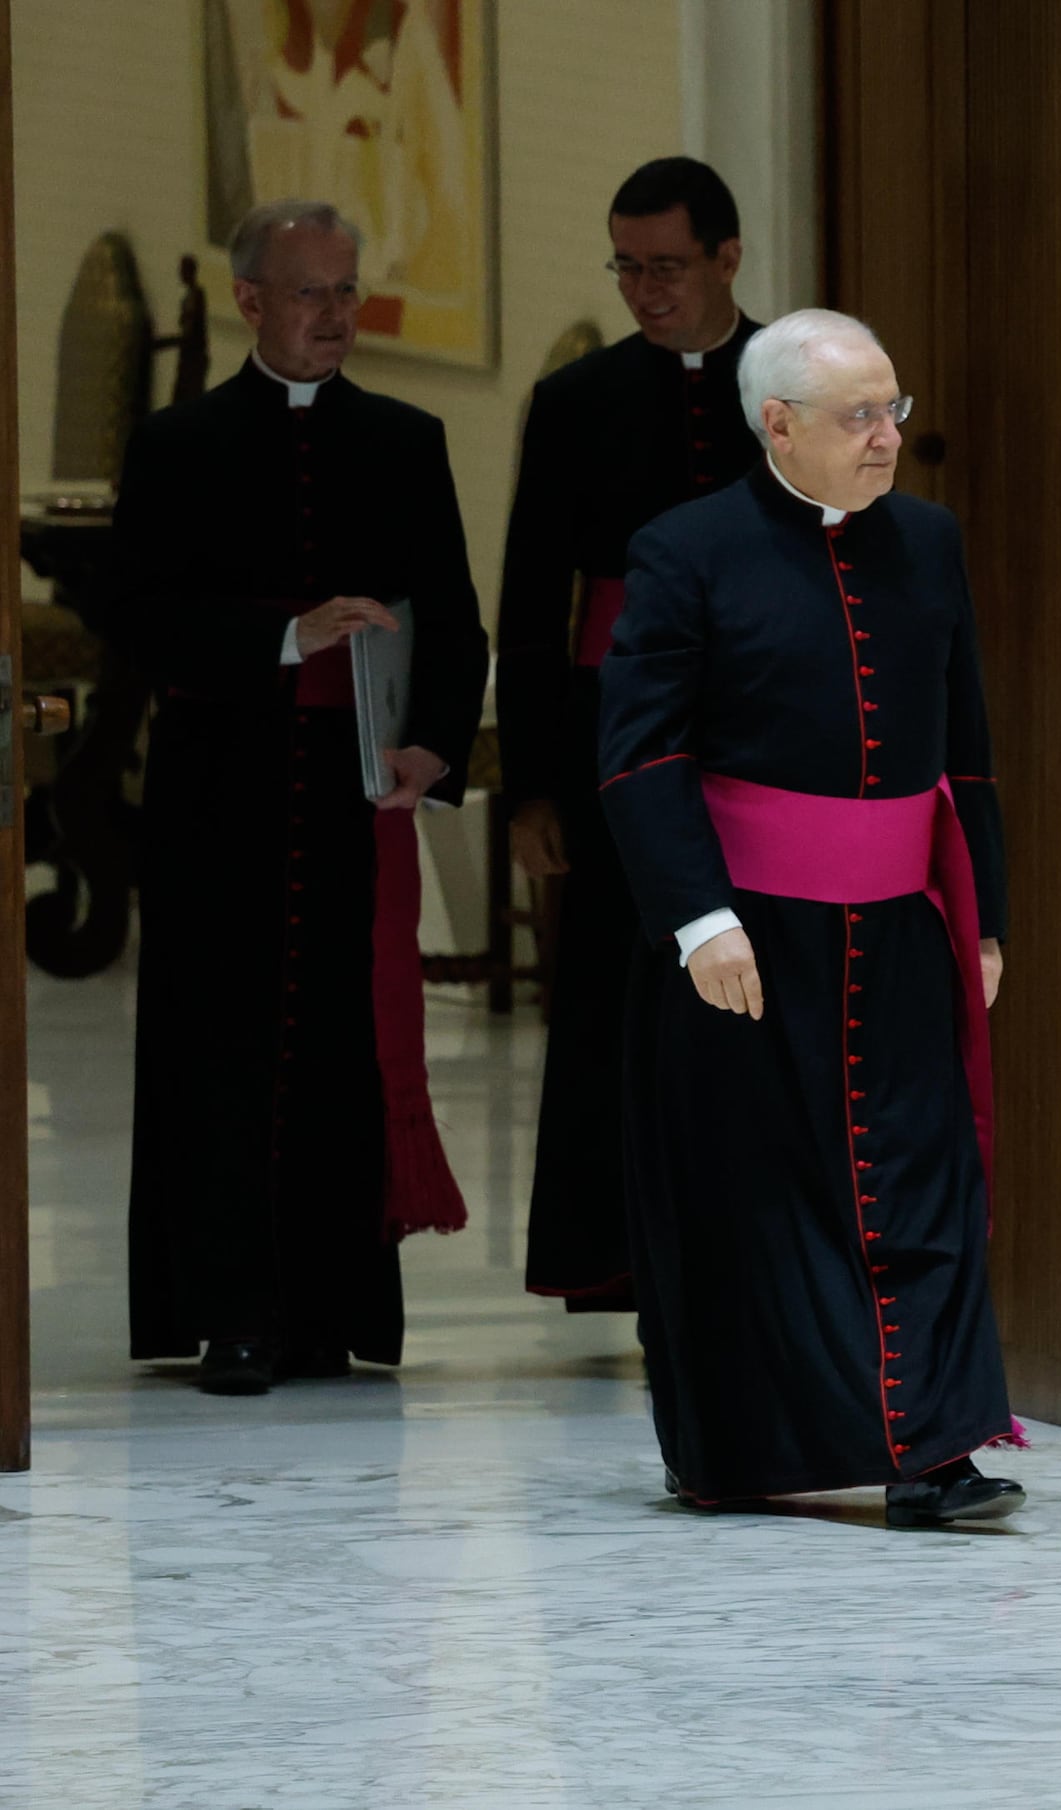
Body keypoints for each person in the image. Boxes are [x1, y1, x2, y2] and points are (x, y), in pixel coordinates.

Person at [598, 308, 1022, 1524]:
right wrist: (696, 921)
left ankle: (936, 1449)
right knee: (757, 1203)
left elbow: (968, 751)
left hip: (896, 929)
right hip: (747, 938)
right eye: (860, 416)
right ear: (776, 424)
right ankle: (744, 1450)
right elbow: (639, 757)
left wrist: (980, 915)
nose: (890, 435)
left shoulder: (928, 542)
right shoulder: (687, 550)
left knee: (923, 1174)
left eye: (893, 409)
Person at [108, 199, 487, 1395]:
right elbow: (136, 617)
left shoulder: (406, 438)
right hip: (218, 792)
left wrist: (431, 746)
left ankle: (330, 1311)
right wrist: (283, 632)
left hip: (352, 796)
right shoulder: (178, 444)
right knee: (218, 1048)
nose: (337, 315)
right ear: (252, 302)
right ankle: (229, 1313)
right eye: (312, 293)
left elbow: (455, 617)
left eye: (348, 290)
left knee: (340, 1047)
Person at [497, 157, 765, 1311]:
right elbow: (530, 599)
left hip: (762, 737)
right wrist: (531, 785)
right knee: (613, 990)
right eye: (627, 267)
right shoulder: (575, 403)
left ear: (725, 258)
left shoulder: (789, 378)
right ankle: (612, 1249)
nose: (644, 291)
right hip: (618, 739)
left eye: (665, 266)